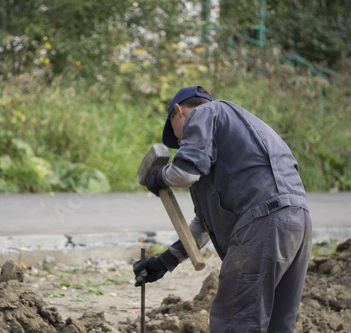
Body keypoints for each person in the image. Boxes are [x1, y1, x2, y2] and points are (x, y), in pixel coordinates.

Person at [133, 85, 312, 332]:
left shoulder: (205, 113)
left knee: (235, 321)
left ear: (179, 111)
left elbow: (184, 173)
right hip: (297, 224)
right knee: (277, 325)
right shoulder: (234, 144)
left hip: (263, 222)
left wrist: (159, 176)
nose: (178, 142)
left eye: (175, 134)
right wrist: (165, 261)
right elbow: (202, 227)